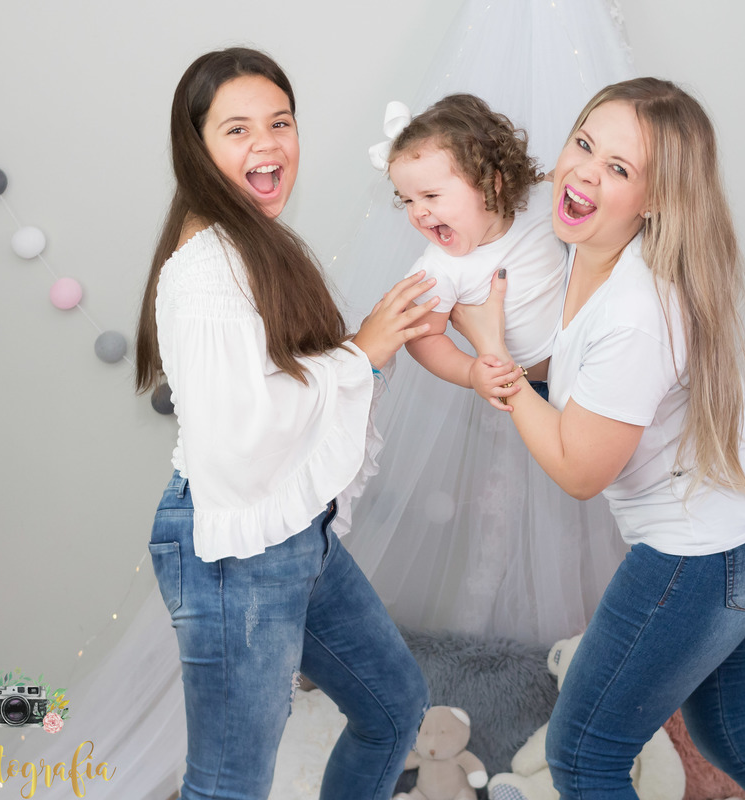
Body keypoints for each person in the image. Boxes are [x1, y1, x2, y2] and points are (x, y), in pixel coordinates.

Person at [451, 77, 745, 800]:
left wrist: (499, 365)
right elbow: (592, 379)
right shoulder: (594, 244)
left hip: (708, 550)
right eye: (584, 143)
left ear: (655, 199)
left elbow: (582, 469)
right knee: (737, 734)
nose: (583, 170)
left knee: (582, 755)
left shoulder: (637, 308)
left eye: (618, 168)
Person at [133, 47, 434, 800]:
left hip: (293, 531)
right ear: (196, 147)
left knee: (395, 706)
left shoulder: (255, 245)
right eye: (238, 130)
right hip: (234, 543)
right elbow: (242, 438)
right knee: (229, 785)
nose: (267, 144)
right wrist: (359, 356)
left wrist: (364, 352)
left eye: (281, 122)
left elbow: (286, 382)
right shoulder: (204, 271)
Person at [386, 94, 566, 395]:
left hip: (586, 353)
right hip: (535, 384)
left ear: (490, 184)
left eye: (430, 196)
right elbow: (421, 338)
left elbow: (562, 180)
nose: (418, 211)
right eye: (407, 200)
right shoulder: (437, 270)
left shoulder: (538, 202)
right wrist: (471, 372)